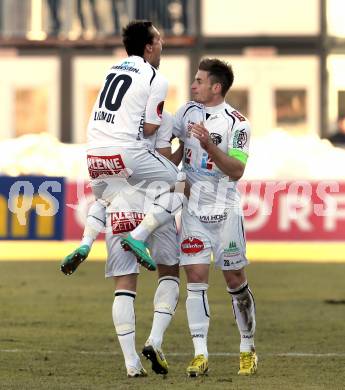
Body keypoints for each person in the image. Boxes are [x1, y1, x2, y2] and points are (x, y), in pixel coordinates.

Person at [61, 112, 181, 378]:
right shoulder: (164, 118)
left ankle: (131, 363)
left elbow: (102, 187)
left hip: (118, 205)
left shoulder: (110, 120)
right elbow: (163, 161)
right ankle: (155, 340)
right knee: (170, 271)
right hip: (154, 203)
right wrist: (182, 149)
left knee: (124, 286)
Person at [173, 58, 257, 377]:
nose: (193, 85)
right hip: (193, 210)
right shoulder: (185, 113)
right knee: (195, 278)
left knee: (235, 282)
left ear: (215, 87)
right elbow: (173, 148)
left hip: (225, 211)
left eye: (199, 80)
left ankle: (247, 347)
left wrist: (208, 145)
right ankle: (200, 354)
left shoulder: (238, 124)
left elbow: (236, 170)